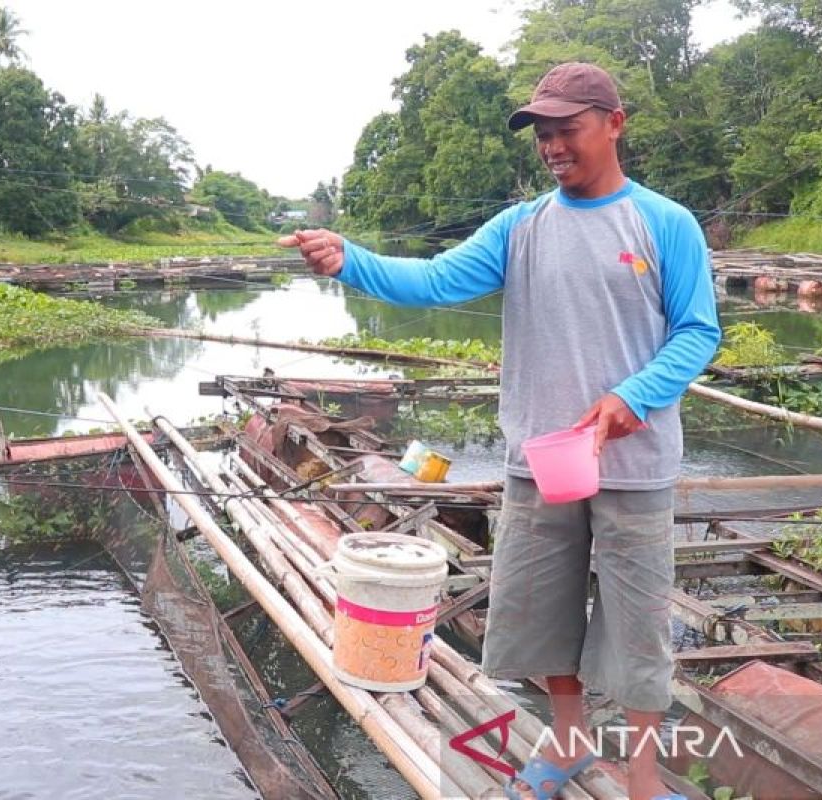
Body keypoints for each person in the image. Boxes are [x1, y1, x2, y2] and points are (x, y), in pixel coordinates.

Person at [279, 62, 721, 800]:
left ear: (615, 123)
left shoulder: (664, 223)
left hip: (634, 463)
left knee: (639, 628)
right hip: (541, 461)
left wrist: (633, 397)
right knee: (544, 616)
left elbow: (697, 331)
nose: (552, 146)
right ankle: (571, 744)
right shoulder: (522, 227)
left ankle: (644, 782)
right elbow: (434, 281)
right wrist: (350, 260)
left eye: (566, 130)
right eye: (542, 134)